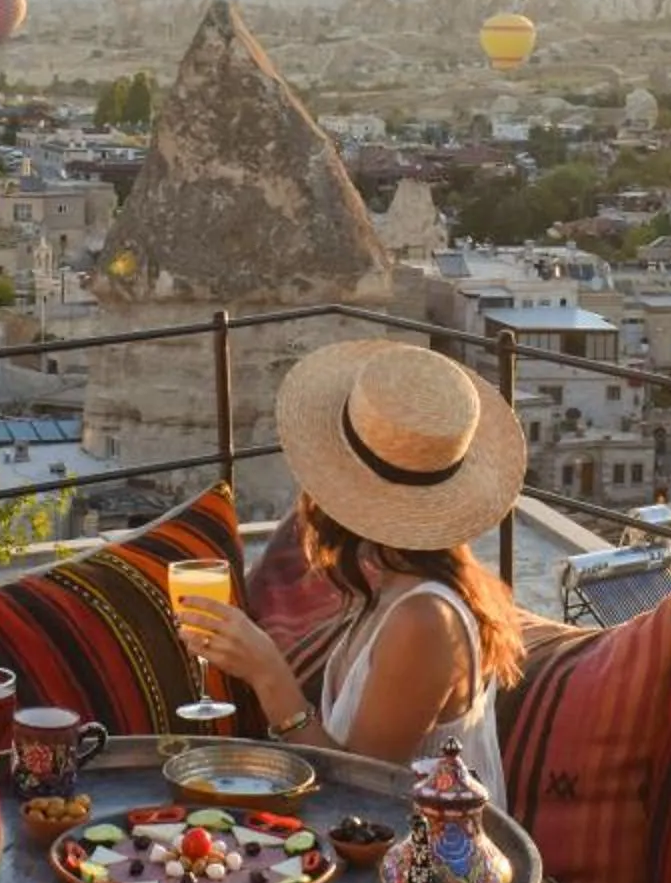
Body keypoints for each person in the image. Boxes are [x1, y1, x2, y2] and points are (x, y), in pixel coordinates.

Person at [176, 341, 527, 795]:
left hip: (427, 858)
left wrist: (268, 674)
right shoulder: (390, 588)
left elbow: (361, 794)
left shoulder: (423, 620)